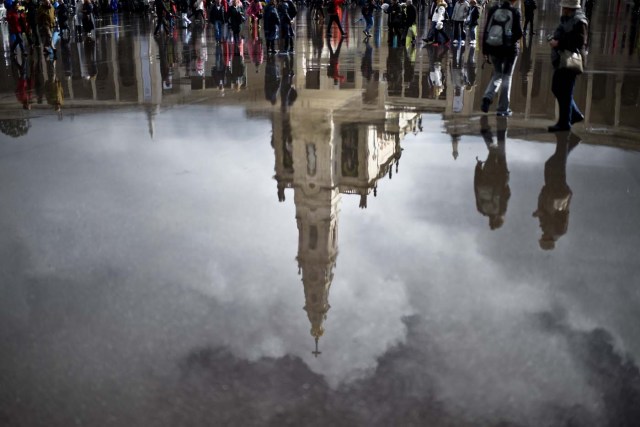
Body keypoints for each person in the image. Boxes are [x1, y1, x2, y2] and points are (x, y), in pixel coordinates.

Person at [533, 132, 580, 250]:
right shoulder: (559, 231)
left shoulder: (551, 230)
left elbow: (546, 215)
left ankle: (572, 141)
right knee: (557, 165)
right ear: (547, 240)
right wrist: (542, 213)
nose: (542, 235)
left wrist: (540, 212)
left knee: (552, 164)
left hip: (552, 192)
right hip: (557, 192)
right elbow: (559, 214)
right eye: (543, 238)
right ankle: (563, 137)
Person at [547, 0, 588, 132]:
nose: (563, 8)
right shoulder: (567, 18)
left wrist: (559, 43)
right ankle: (574, 115)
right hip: (562, 59)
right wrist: (554, 39)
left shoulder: (580, 21)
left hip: (571, 61)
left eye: (564, 6)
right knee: (557, 88)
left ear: (569, 8)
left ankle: (565, 123)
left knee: (566, 91)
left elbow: (579, 41)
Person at [480, 0, 522, 117]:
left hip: (493, 47)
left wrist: (485, 51)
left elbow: (486, 31)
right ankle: (503, 108)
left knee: (497, 74)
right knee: (507, 77)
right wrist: (509, 40)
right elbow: (519, 33)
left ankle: (487, 97)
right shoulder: (515, 12)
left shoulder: (493, 10)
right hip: (509, 50)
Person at [474, 116, 510, 230]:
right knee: (492, 151)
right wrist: (478, 169)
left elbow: (506, 194)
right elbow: (476, 188)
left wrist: (506, 182)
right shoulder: (481, 209)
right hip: (486, 176)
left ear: (499, 219)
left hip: (500, 176)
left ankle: (501, 124)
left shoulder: (501, 210)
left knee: (500, 149)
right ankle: (485, 128)